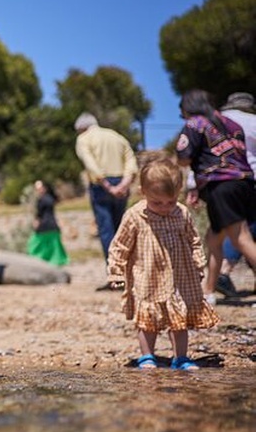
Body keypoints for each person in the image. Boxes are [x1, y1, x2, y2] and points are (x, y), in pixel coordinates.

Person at [106, 158, 219, 370]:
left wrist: (198, 263)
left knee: (179, 319)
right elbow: (119, 246)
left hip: (180, 276)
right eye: (157, 203)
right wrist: (116, 273)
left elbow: (193, 239)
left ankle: (181, 357)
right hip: (147, 276)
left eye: (171, 201)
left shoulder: (181, 212)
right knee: (148, 320)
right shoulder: (135, 216)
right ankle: (147, 356)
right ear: (142, 192)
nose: (165, 207)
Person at [176, 89, 256, 305]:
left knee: (242, 239)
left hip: (220, 186)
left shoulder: (195, 124)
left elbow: (183, 158)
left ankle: (208, 291)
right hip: (245, 183)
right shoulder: (231, 124)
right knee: (214, 238)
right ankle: (208, 291)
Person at [74, 112, 139, 290]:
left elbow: (90, 163)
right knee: (121, 230)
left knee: (106, 230)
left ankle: (116, 277)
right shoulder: (116, 136)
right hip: (122, 183)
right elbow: (131, 159)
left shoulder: (84, 139)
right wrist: (124, 183)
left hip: (101, 186)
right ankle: (127, 275)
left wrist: (107, 185)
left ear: (81, 128)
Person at [215, 92, 256, 297]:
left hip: (220, 182)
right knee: (245, 230)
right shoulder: (253, 122)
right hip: (250, 179)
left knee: (233, 228)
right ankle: (223, 270)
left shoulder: (212, 122)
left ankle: (222, 271)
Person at [26, 180, 69, 266]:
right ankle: (55, 260)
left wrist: (36, 221)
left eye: (40, 188)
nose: (38, 190)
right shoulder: (49, 198)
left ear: (44, 188)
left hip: (45, 225)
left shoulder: (42, 200)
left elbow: (39, 214)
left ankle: (36, 259)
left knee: (35, 243)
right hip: (52, 224)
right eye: (37, 188)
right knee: (54, 244)